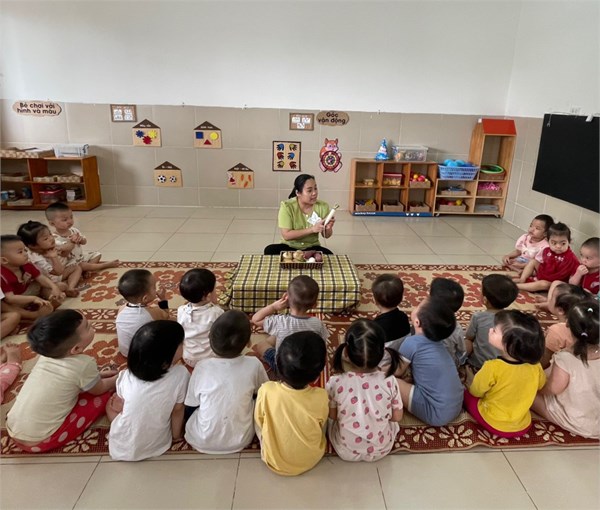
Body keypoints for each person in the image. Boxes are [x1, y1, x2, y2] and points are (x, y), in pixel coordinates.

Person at [6, 310, 117, 452]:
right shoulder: (84, 364)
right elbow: (99, 389)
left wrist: (98, 375)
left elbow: (68, 377)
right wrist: (117, 378)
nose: (92, 325)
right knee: (104, 396)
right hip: (41, 440)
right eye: (88, 327)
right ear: (76, 349)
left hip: (13, 429)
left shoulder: (45, 357)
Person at [185, 311, 268, 454]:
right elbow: (264, 393)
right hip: (241, 439)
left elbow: (191, 404)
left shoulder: (202, 366)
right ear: (248, 342)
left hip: (200, 439)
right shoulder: (254, 364)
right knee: (258, 398)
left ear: (209, 339)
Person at [106, 321, 190, 461]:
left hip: (119, 447)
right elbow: (177, 410)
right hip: (158, 446)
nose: (184, 345)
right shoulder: (181, 374)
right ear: (167, 357)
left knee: (112, 404)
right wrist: (176, 435)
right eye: (181, 343)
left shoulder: (126, 375)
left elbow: (121, 401)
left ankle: (119, 421)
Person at [326, 319, 403, 462]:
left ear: (346, 352)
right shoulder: (390, 381)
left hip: (345, 450)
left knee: (330, 420)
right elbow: (397, 417)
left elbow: (333, 416)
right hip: (381, 449)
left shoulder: (335, 382)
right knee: (392, 423)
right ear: (383, 352)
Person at [254, 331, 328, 476]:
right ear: (316, 377)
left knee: (260, 411)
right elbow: (322, 423)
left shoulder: (266, 390)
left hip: (272, 460)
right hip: (312, 458)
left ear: (278, 365)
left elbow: (259, 421)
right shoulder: (321, 396)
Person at [464, 310, 546, 438]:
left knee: (465, 394)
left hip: (494, 422)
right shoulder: (536, 366)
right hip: (522, 425)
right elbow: (540, 385)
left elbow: (476, 392)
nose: (490, 330)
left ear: (509, 344)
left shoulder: (492, 367)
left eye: (494, 330)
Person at [532, 301, 600, 439]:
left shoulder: (566, 359)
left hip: (577, 420)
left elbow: (553, 389)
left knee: (525, 393)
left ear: (568, 325)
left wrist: (535, 388)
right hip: (596, 416)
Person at [396, 298, 464, 427]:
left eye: (417, 306)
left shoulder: (411, 343)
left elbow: (397, 371)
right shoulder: (441, 344)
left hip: (435, 412)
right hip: (456, 405)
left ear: (417, 322)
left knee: (392, 381)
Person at [251, 275, 328, 372]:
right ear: (315, 305)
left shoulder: (279, 322)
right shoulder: (318, 323)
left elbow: (256, 319)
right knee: (277, 334)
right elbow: (322, 342)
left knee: (262, 344)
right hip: (308, 367)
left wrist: (273, 307)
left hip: (283, 367)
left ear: (286, 297)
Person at [264, 174, 335, 255]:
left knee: (329, 255)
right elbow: (286, 235)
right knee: (269, 250)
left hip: (311, 247)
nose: (314, 193)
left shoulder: (323, 206)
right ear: (298, 193)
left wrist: (328, 228)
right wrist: (312, 229)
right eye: (309, 190)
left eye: (315, 188)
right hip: (289, 247)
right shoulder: (287, 206)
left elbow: (327, 235)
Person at [45, 202, 119, 273]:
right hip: (70, 263)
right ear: (52, 223)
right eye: (65, 220)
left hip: (80, 257)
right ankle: (104, 265)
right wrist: (71, 242)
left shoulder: (74, 230)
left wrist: (81, 239)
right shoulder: (54, 238)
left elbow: (84, 242)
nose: (70, 221)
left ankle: (88, 269)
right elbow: (64, 254)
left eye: (71, 217)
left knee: (97, 254)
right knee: (81, 265)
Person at [0, 234, 62, 320]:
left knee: (47, 285)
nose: (26, 254)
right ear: (4, 260)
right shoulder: (2, 276)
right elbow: (10, 299)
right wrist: (33, 298)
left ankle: (51, 299)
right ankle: (33, 314)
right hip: (15, 301)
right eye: (20, 252)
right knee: (8, 308)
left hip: (27, 293)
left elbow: (41, 278)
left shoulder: (26, 265)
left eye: (25, 250)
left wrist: (54, 287)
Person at [466, 274, 519, 371]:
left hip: (479, 363)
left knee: (466, 341)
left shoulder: (478, 317)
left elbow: (469, 337)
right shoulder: (513, 319)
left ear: (485, 300)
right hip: (503, 365)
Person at [17, 220, 81, 297]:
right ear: (33, 246)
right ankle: (54, 295)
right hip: (45, 282)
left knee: (76, 268)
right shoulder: (36, 258)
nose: (51, 238)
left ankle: (71, 288)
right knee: (61, 286)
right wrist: (54, 257)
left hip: (58, 275)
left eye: (50, 234)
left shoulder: (51, 243)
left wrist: (65, 245)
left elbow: (69, 246)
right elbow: (59, 272)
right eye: (45, 239)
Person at [116, 269, 169, 357]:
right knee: (173, 322)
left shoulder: (122, 308)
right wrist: (163, 299)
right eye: (154, 287)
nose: (156, 290)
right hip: (145, 355)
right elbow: (166, 315)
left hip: (126, 352)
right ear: (145, 298)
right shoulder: (152, 312)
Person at [177, 268, 224, 367]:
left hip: (188, 358)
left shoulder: (181, 310)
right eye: (215, 290)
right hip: (211, 359)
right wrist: (215, 304)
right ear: (208, 296)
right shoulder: (216, 312)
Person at [537, 237, 600, 310]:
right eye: (581, 255)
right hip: (574, 293)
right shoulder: (579, 267)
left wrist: (590, 295)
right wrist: (578, 274)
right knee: (556, 283)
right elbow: (572, 284)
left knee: (586, 292)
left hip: (586, 301)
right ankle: (550, 301)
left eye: (588, 258)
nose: (583, 260)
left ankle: (555, 305)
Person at [515, 222, 580, 293]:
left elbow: (573, 277)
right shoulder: (546, 250)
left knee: (543, 284)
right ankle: (522, 279)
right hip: (543, 274)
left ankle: (517, 286)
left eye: (563, 243)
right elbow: (539, 262)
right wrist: (527, 269)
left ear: (569, 241)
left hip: (553, 283)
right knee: (533, 261)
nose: (558, 246)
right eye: (554, 243)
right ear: (548, 241)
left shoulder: (571, 257)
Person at [540, 283, 588, 368]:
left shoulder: (556, 331)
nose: (549, 300)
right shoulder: (587, 325)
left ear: (560, 310)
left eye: (551, 298)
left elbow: (543, 362)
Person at [430, 277, 468, 366]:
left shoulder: (422, 321)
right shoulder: (457, 328)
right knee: (468, 345)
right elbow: (461, 350)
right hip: (449, 365)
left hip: (424, 362)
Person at [371, 274, 410, 348]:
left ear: (374, 301)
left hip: (383, 354)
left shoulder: (375, 326)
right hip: (402, 352)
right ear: (401, 299)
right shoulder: (403, 317)